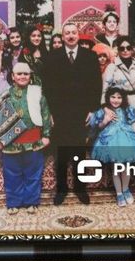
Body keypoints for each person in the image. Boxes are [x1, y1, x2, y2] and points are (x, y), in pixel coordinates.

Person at [42, 22, 102, 205]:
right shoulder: (52, 56)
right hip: (59, 112)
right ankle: (61, 189)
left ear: (78, 35)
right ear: (62, 36)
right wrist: (50, 112)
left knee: (79, 151)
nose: (70, 36)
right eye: (67, 33)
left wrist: (92, 109)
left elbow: (96, 84)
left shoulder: (90, 56)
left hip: (81, 112)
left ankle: (80, 188)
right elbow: (47, 86)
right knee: (61, 152)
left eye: (73, 33)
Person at [0, 62, 52, 215]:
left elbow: (46, 115)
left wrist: (46, 135)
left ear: (30, 76)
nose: (22, 76)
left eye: (25, 74)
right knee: (12, 175)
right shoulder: (3, 95)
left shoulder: (38, 94)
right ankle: (13, 202)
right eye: (19, 74)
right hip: (10, 143)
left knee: (33, 175)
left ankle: (31, 202)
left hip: (34, 142)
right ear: (13, 77)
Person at [89, 87, 135, 207]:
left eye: (119, 97)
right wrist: (106, 120)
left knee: (126, 167)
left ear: (123, 99)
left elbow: (133, 123)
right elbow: (98, 126)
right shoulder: (104, 111)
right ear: (108, 98)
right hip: (111, 139)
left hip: (126, 139)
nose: (116, 100)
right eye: (113, 97)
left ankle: (125, 189)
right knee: (116, 169)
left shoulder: (127, 110)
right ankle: (119, 193)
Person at [101, 36, 135, 143]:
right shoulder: (112, 67)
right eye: (122, 48)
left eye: (128, 48)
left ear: (132, 49)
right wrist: (105, 107)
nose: (125, 51)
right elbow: (105, 88)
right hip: (118, 103)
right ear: (118, 49)